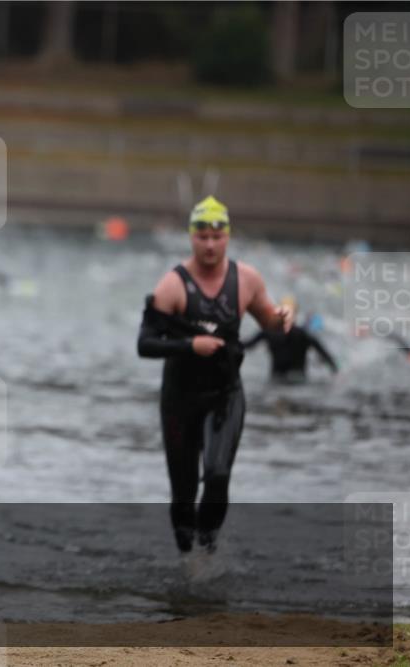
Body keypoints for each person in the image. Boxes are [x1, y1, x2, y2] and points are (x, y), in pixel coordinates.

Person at [137, 196, 292, 554]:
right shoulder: (173, 286)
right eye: (202, 236)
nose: (209, 244)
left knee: (218, 476)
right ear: (191, 237)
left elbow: (269, 321)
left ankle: (208, 554)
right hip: (180, 399)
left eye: (216, 237)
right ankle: (187, 560)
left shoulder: (246, 280)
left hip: (225, 395)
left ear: (228, 237)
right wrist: (191, 345)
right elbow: (144, 344)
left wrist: (281, 318)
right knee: (183, 495)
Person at [243, 296, 338, 383]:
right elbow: (325, 355)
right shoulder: (304, 334)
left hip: (276, 382)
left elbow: (245, 346)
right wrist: (335, 370)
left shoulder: (268, 333)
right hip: (299, 382)